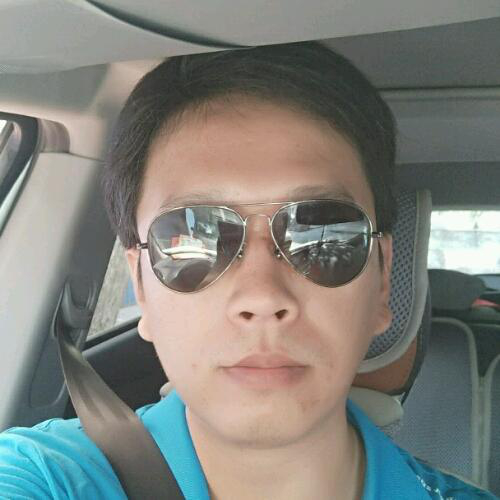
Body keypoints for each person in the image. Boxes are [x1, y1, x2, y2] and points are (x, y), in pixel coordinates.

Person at [0, 41, 496, 500]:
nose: (262, 297)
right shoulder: (45, 477)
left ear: (382, 281)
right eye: (196, 238)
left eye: (321, 236)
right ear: (142, 288)